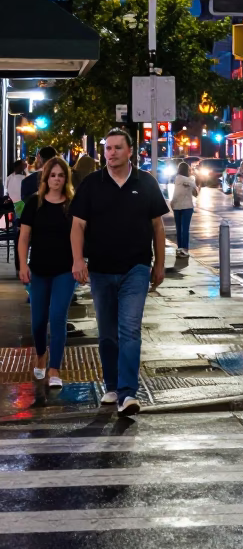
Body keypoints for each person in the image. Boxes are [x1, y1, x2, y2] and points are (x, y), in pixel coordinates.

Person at [70, 128, 169, 417]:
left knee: (129, 330)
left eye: (116, 148)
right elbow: (78, 225)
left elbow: (158, 227)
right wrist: (78, 260)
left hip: (136, 268)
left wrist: (159, 264)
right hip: (100, 269)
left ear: (130, 152)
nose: (110, 153)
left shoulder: (146, 182)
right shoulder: (92, 184)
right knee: (107, 335)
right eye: (108, 148)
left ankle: (128, 393)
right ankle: (111, 386)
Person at [18, 158, 76, 388]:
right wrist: (23, 266)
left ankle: (55, 369)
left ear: (66, 179)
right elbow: (24, 238)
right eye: (53, 175)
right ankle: (40, 355)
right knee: (39, 321)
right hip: (39, 270)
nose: (57, 179)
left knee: (58, 317)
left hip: (65, 270)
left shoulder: (72, 204)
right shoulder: (35, 203)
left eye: (61, 175)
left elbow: (80, 235)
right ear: (46, 178)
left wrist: (80, 262)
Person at [170, 161, 198, 259]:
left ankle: (179, 248)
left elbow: (176, 194)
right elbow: (196, 193)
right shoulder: (191, 180)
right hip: (187, 207)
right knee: (185, 229)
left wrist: (172, 203)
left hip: (177, 207)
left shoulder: (177, 179)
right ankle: (185, 250)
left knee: (179, 229)